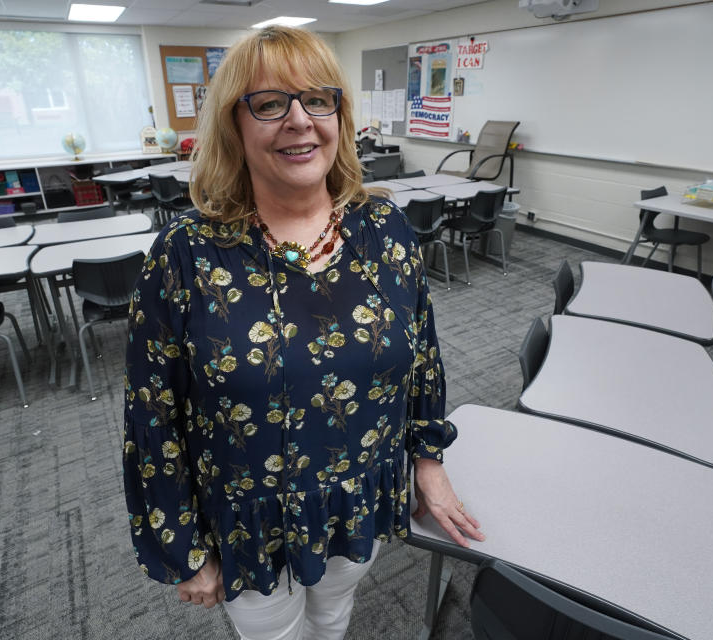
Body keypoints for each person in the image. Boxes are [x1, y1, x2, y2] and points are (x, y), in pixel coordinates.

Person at [122, 25, 483, 640]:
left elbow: (422, 356)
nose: (299, 120)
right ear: (234, 125)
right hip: (249, 524)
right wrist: (181, 544)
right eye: (269, 103)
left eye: (318, 100)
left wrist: (428, 461)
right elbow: (152, 413)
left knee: (334, 616)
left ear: (338, 116)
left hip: (358, 501)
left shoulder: (384, 230)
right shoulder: (186, 253)